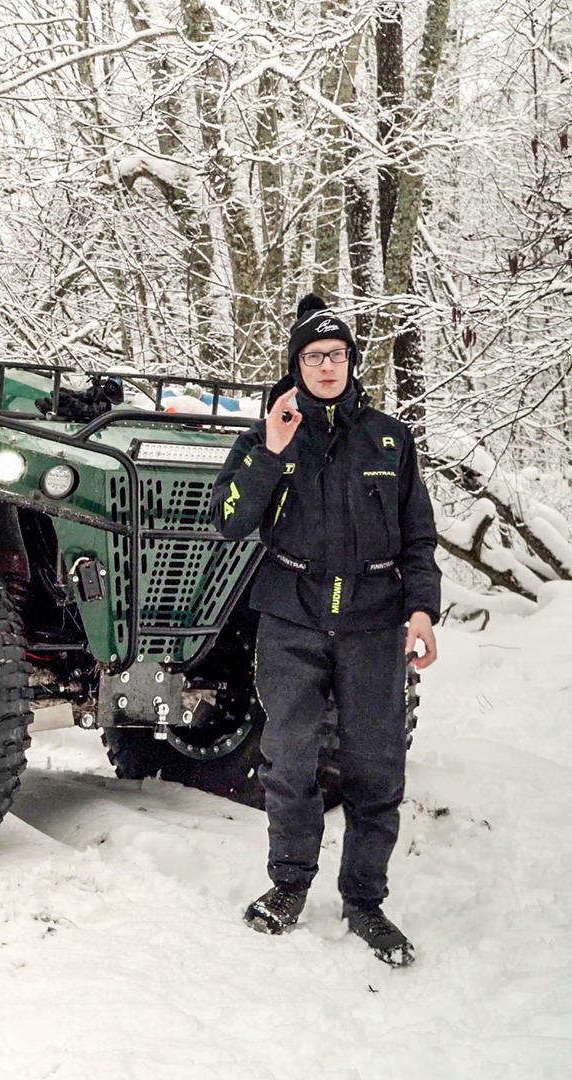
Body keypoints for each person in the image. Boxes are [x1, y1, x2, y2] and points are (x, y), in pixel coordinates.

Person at [208, 295, 440, 968]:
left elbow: (419, 538)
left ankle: (365, 900)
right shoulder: (271, 435)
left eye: (338, 355)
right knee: (288, 761)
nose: (328, 366)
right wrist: (272, 451)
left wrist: (422, 609)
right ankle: (288, 885)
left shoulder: (390, 439)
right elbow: (228, 519)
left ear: (352, 362)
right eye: (315, 356)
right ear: (297, 366)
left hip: (373, 621)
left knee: (375, 768)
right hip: (292, 617)